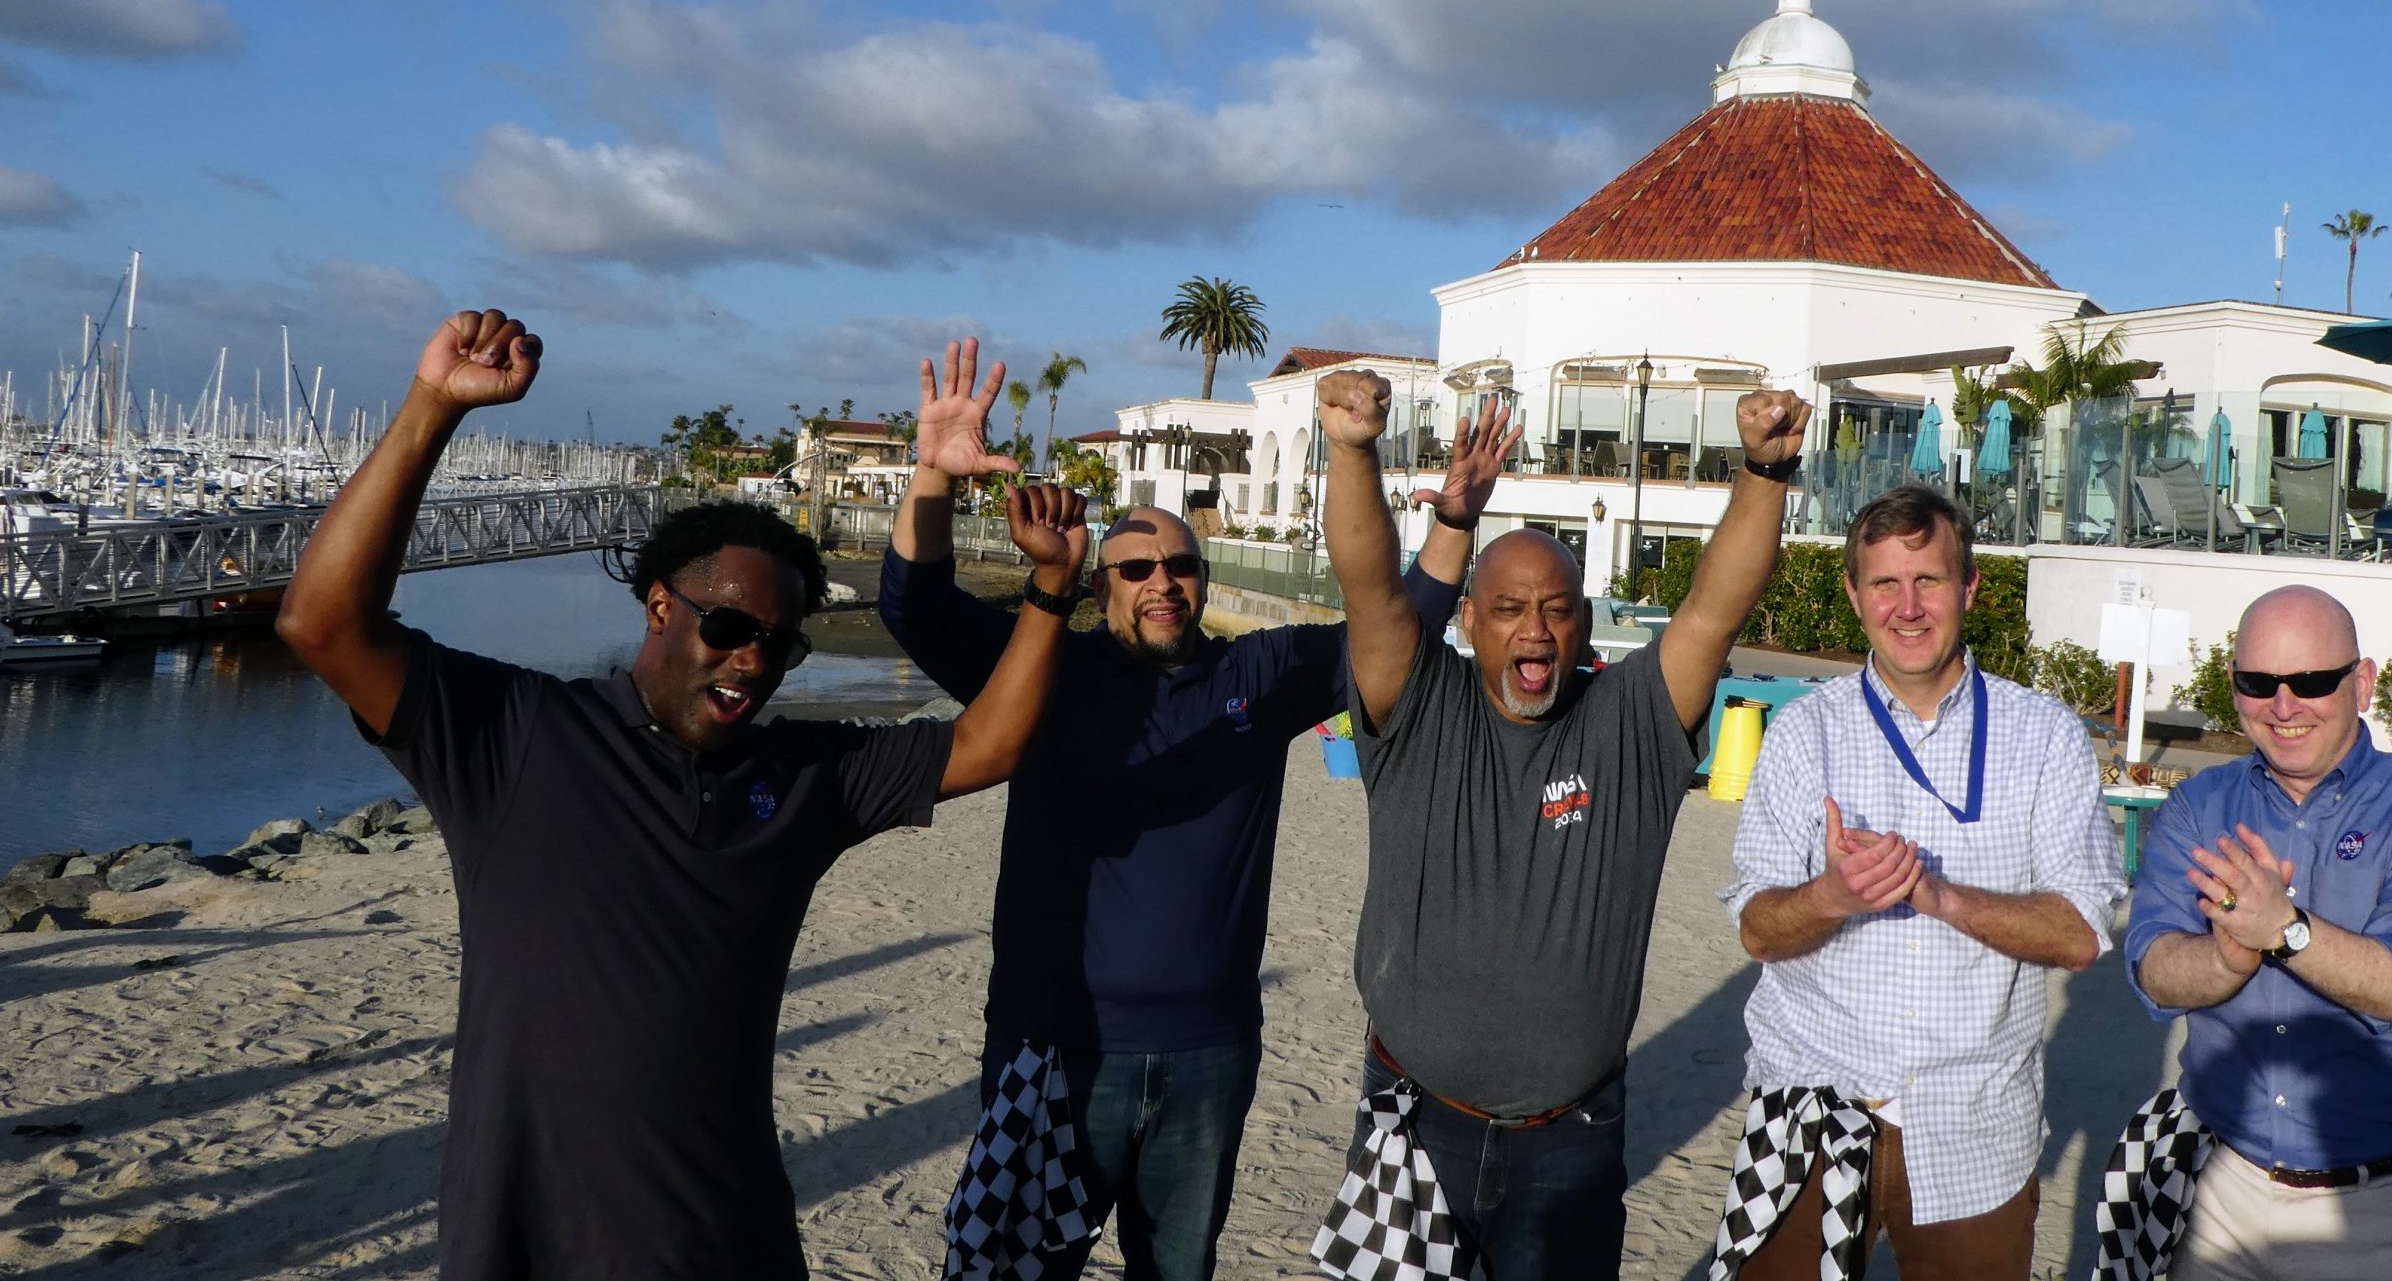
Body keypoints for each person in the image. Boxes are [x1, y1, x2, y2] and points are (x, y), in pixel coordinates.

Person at [276, 310, 1083, 1281]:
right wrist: (433, 407)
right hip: (523, 1244)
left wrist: (1048, 590)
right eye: (730, 624)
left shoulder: (803, 777)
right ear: (661, 605)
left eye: (779, 644)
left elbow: (990, 745)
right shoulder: (516, 737)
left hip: (726, 1244)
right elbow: (321, 622)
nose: (752, 658)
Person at [878, 344, 1519, 1281]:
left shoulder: (1254, 676)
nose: (1162, 582)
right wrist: (932, 470)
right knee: (1018, 1268)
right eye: (1136, 569)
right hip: (1054, 1046)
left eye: (1181, 565)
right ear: (1102, 589)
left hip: (1210, 1056)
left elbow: (1397, 630)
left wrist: (1455, 523)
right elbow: (915, 607)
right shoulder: (1043, 670)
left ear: (1205, 582)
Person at [1312, 375, 1810, 1281]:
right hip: (1412, 1122)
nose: (1533, 631)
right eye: (1507, 609)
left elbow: (1714, 608)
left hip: (1570, 1142)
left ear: (1585, 625)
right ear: (1467, 621)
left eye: (1555, 608)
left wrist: (1763, 471)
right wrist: (1352, 449)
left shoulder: (1629, 723)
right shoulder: (1421, 705)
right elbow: (1369, 585)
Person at [1706, 484, 2122, 1281]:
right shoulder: (1806, 732)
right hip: (1810, 1118)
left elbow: (2080, 932)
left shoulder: (2042, 735)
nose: (1908, 606)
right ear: (1855, 595)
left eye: (1928, 579)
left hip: (1975, 1128)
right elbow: (1756, 927)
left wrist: (1937, 895)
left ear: (1968, 587)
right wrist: (1835, 895)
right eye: (1885, 583)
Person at [2108, 584, 2392, 1281]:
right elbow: (2152, 967)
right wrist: (2225, 960)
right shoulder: (2200, 805)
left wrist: (2284, 931)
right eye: (2260, 682)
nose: (2284, 705)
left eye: (2312, 680)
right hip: (2219, 1189)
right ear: (2235, 687)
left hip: (2387, 1210)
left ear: (2363, 681)